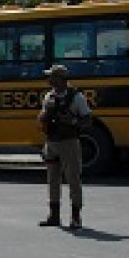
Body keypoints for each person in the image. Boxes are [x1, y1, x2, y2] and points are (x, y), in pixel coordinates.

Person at [37, 64, 91, 229]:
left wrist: (72, 121)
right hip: (52, 141)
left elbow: (87, 120)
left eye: (51, 77)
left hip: (69, 142)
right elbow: (43, 118)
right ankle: (54, 215)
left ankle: (76, 217)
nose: (48, 80)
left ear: (60, 79)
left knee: (73, 179)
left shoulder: (76, 97)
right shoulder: (49, 97)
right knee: (52, 179)